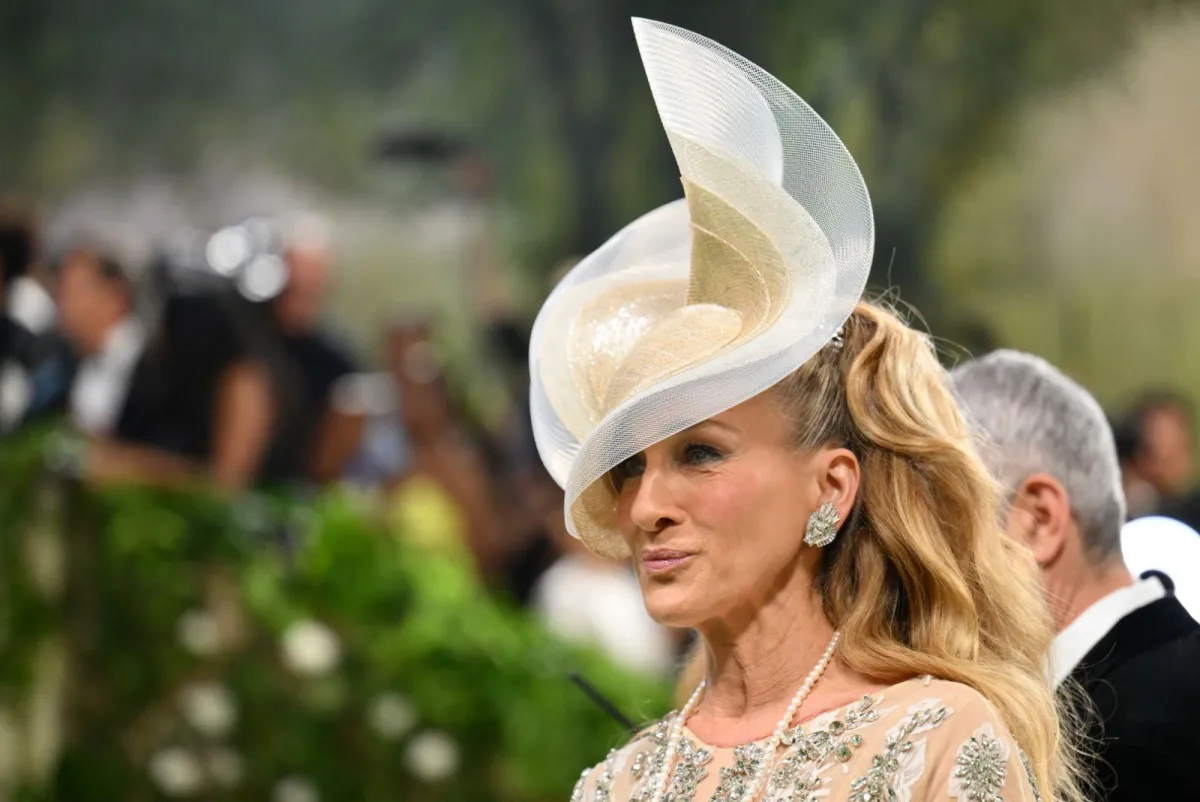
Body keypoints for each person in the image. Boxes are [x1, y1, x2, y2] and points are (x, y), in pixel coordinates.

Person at [539, 19, 1077, 802]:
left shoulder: (938, 742)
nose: (645, 507)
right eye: (628, 466)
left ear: (830, 489)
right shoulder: (615, 784)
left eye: (700, 452)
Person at [951, 349, 1200, 801]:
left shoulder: (1135, 744)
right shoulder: (1150, 683)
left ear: (1038, 519)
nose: (923, 561)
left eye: (944, 523)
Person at [53, 242, 275, 490]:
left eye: (75, 291)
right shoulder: (66, 365)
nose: (63, 305)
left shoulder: (179, 373)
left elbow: (218, 482)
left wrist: (125, 465)